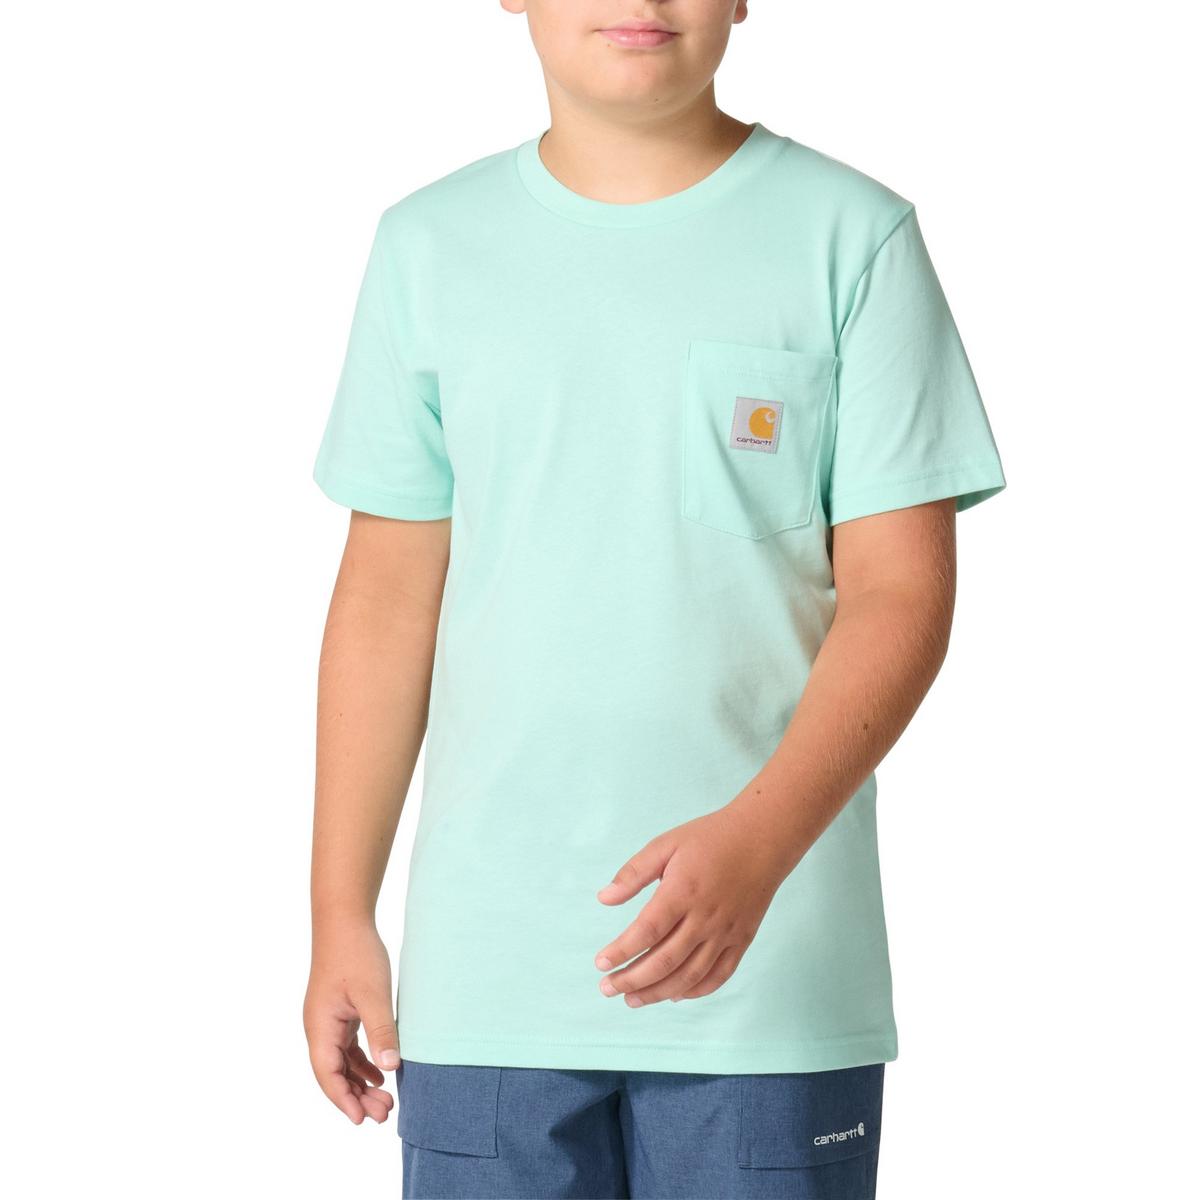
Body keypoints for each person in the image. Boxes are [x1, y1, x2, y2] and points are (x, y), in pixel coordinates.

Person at [302, 2, 1007, 1197]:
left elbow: (901, 596)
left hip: (772, 979)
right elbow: (385, 601)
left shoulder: (852, 236)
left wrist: (760, 842)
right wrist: (339, 912)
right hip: (490, 979)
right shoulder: (428, 247)